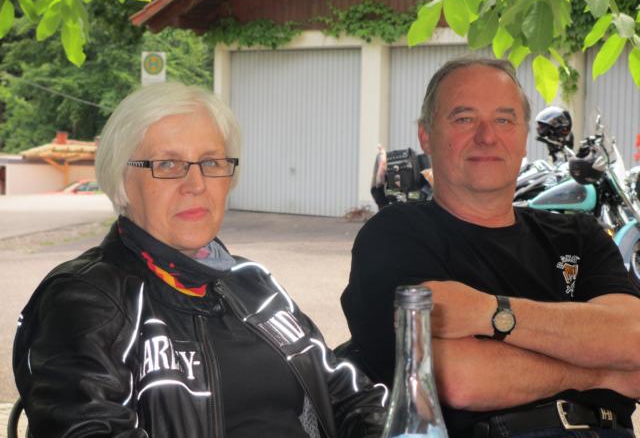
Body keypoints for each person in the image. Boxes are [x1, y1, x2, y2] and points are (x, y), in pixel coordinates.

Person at [13, 82, 387, 438]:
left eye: (211, 162)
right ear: (122, 181)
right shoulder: (86, 299)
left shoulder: (253, 282)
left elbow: (350, 397)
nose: (196, 184)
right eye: (168, 164)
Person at [341, 58, 640, 438]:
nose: (487, 136)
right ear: (426, 135)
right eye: (464, 118)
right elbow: (456, 378)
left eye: (504, 119)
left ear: (523, 136)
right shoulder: (395, 235)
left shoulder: (578, 234)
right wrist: (601, 371)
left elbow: (634, 339)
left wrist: (489, 313)